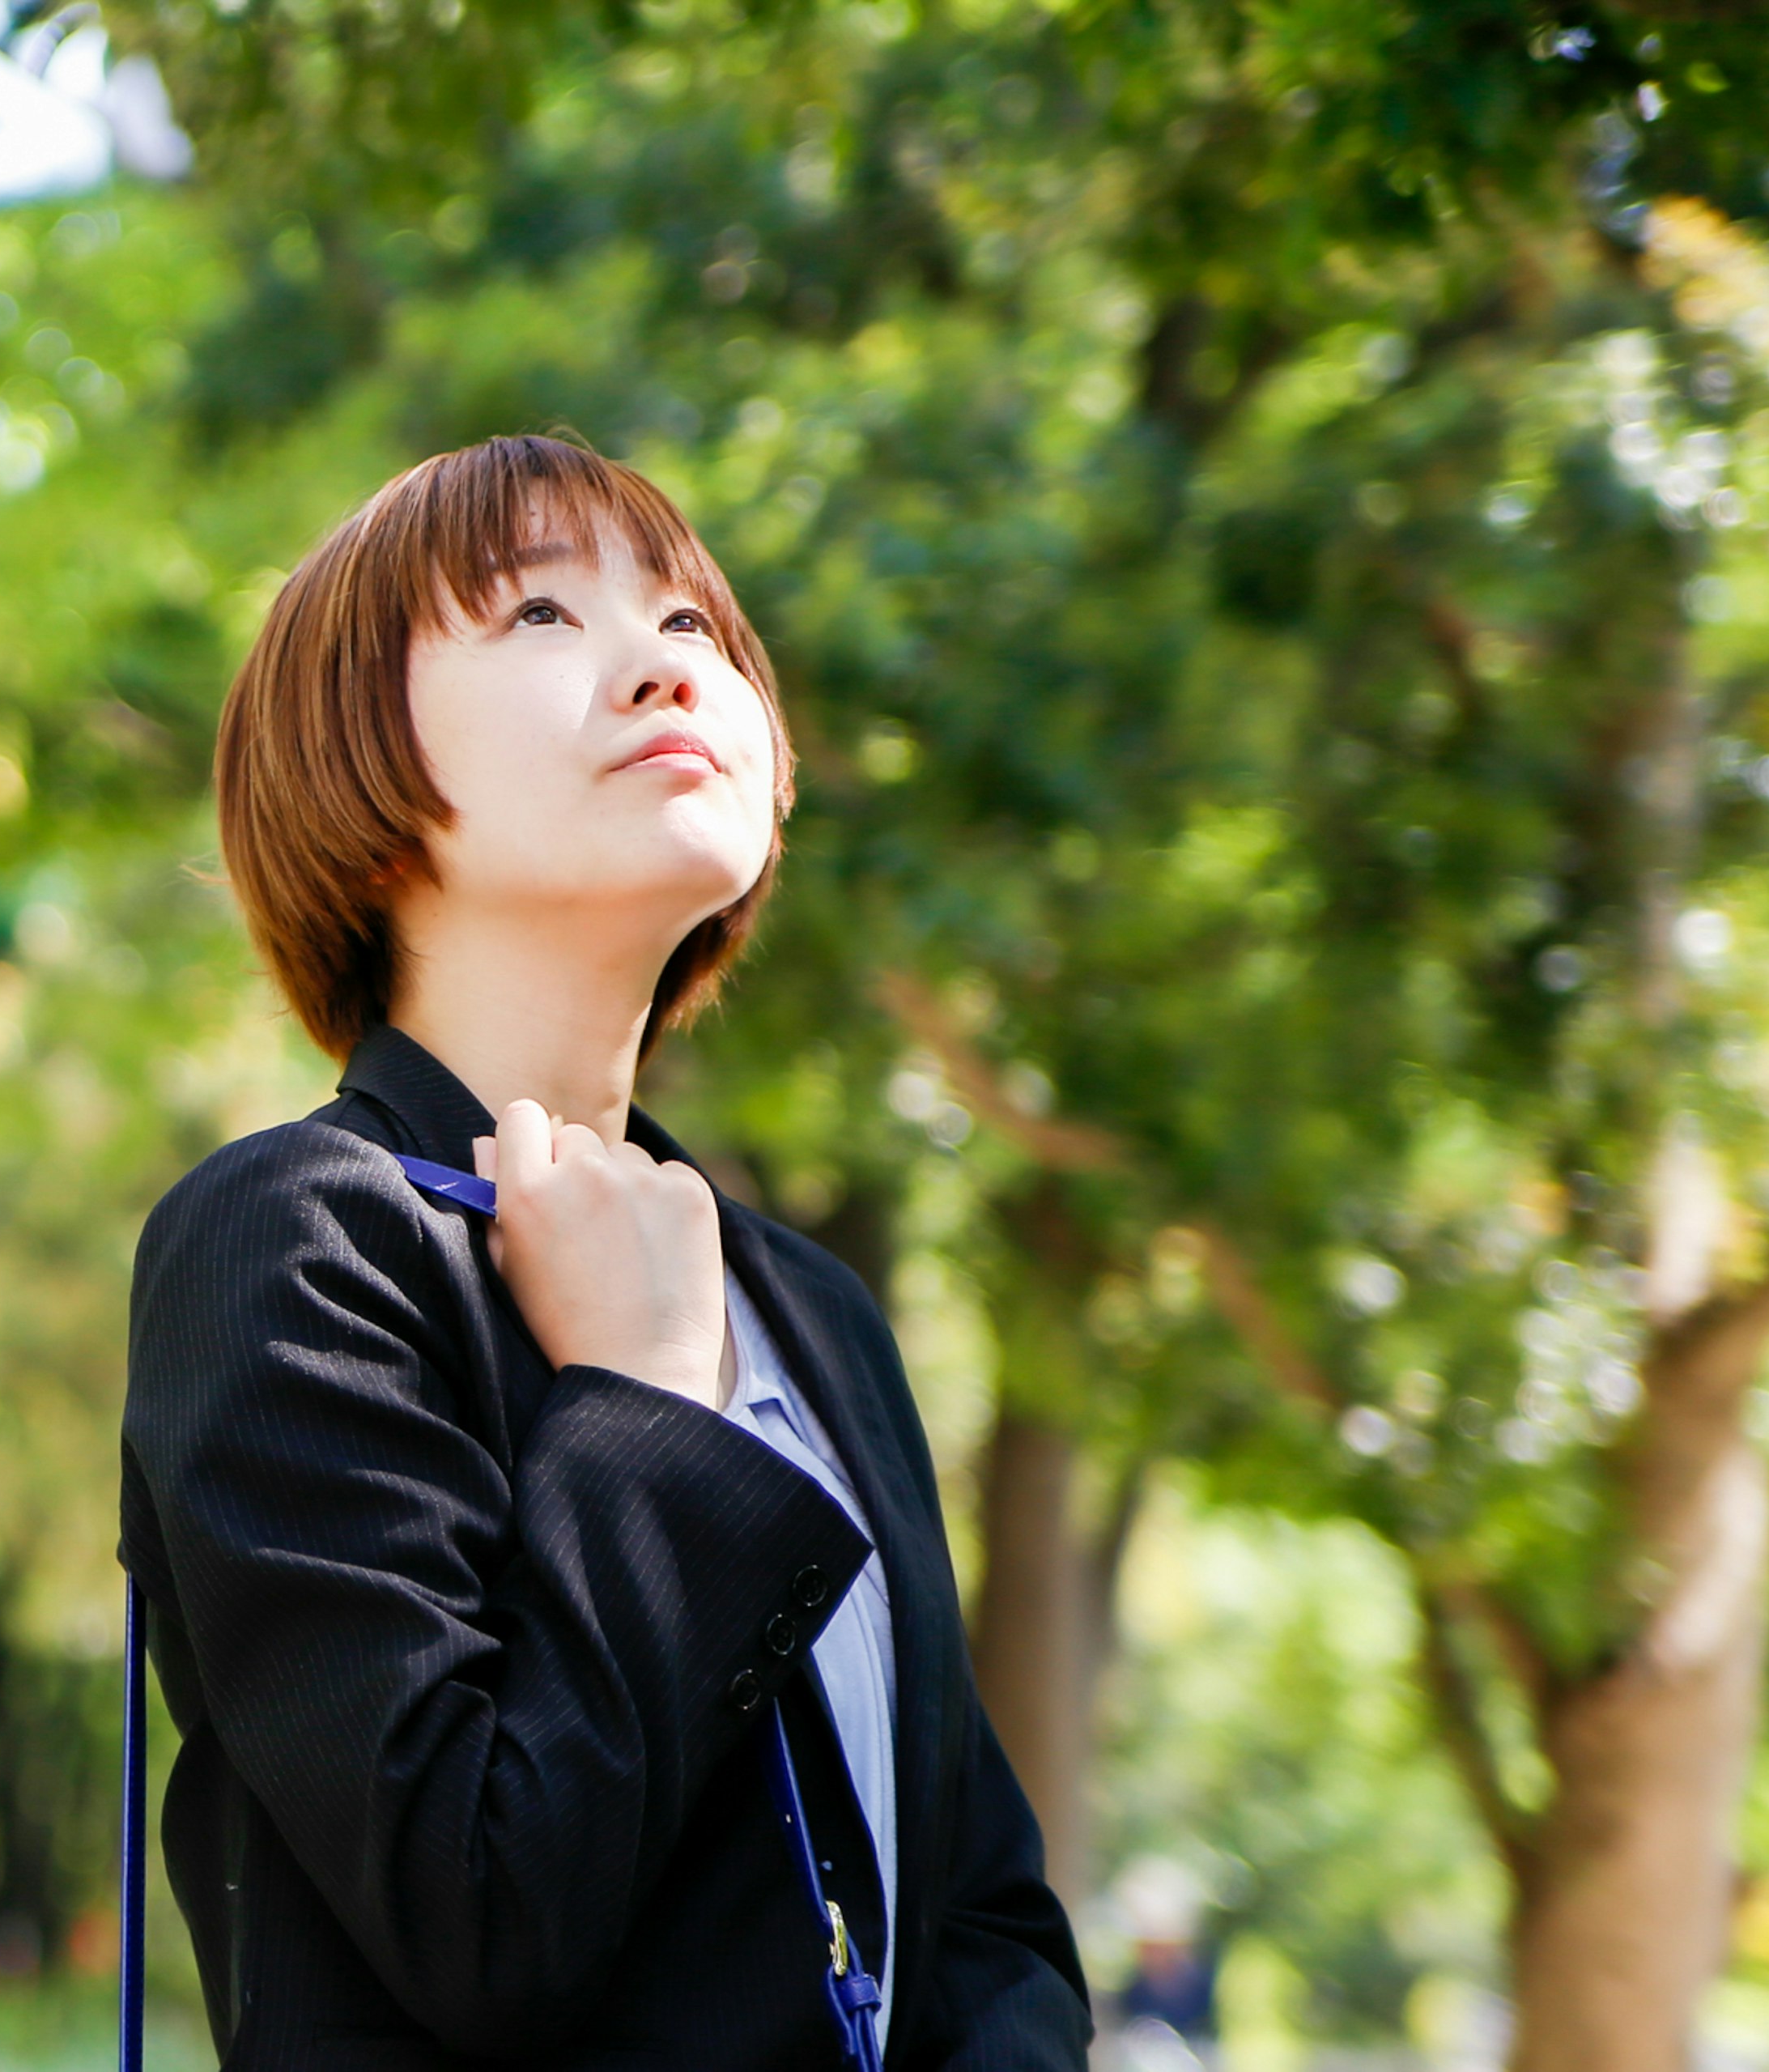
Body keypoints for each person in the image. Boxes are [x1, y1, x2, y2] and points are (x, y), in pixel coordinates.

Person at [119, 433, 1092, 2070]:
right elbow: (480, 1915)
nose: (657, 662)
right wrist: (647, 1407)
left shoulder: (813, 1312)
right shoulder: (297, 1241)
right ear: (348, 764)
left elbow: (982, 1913)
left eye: (697, 628)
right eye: (541, 617)